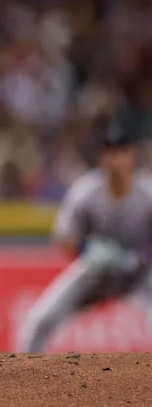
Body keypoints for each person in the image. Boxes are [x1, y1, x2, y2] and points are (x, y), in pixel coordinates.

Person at [19, 119, 152, 353]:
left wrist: (141, 258)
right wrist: (89, 251)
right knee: (40, 321)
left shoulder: (147, 192)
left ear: (133, 153)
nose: (116, 157)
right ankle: (19, 380)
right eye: (110, 151)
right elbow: (62, 239)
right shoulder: (86, 191)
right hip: (96, 271)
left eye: (122, 150)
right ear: (102, 155)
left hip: (141, 273)